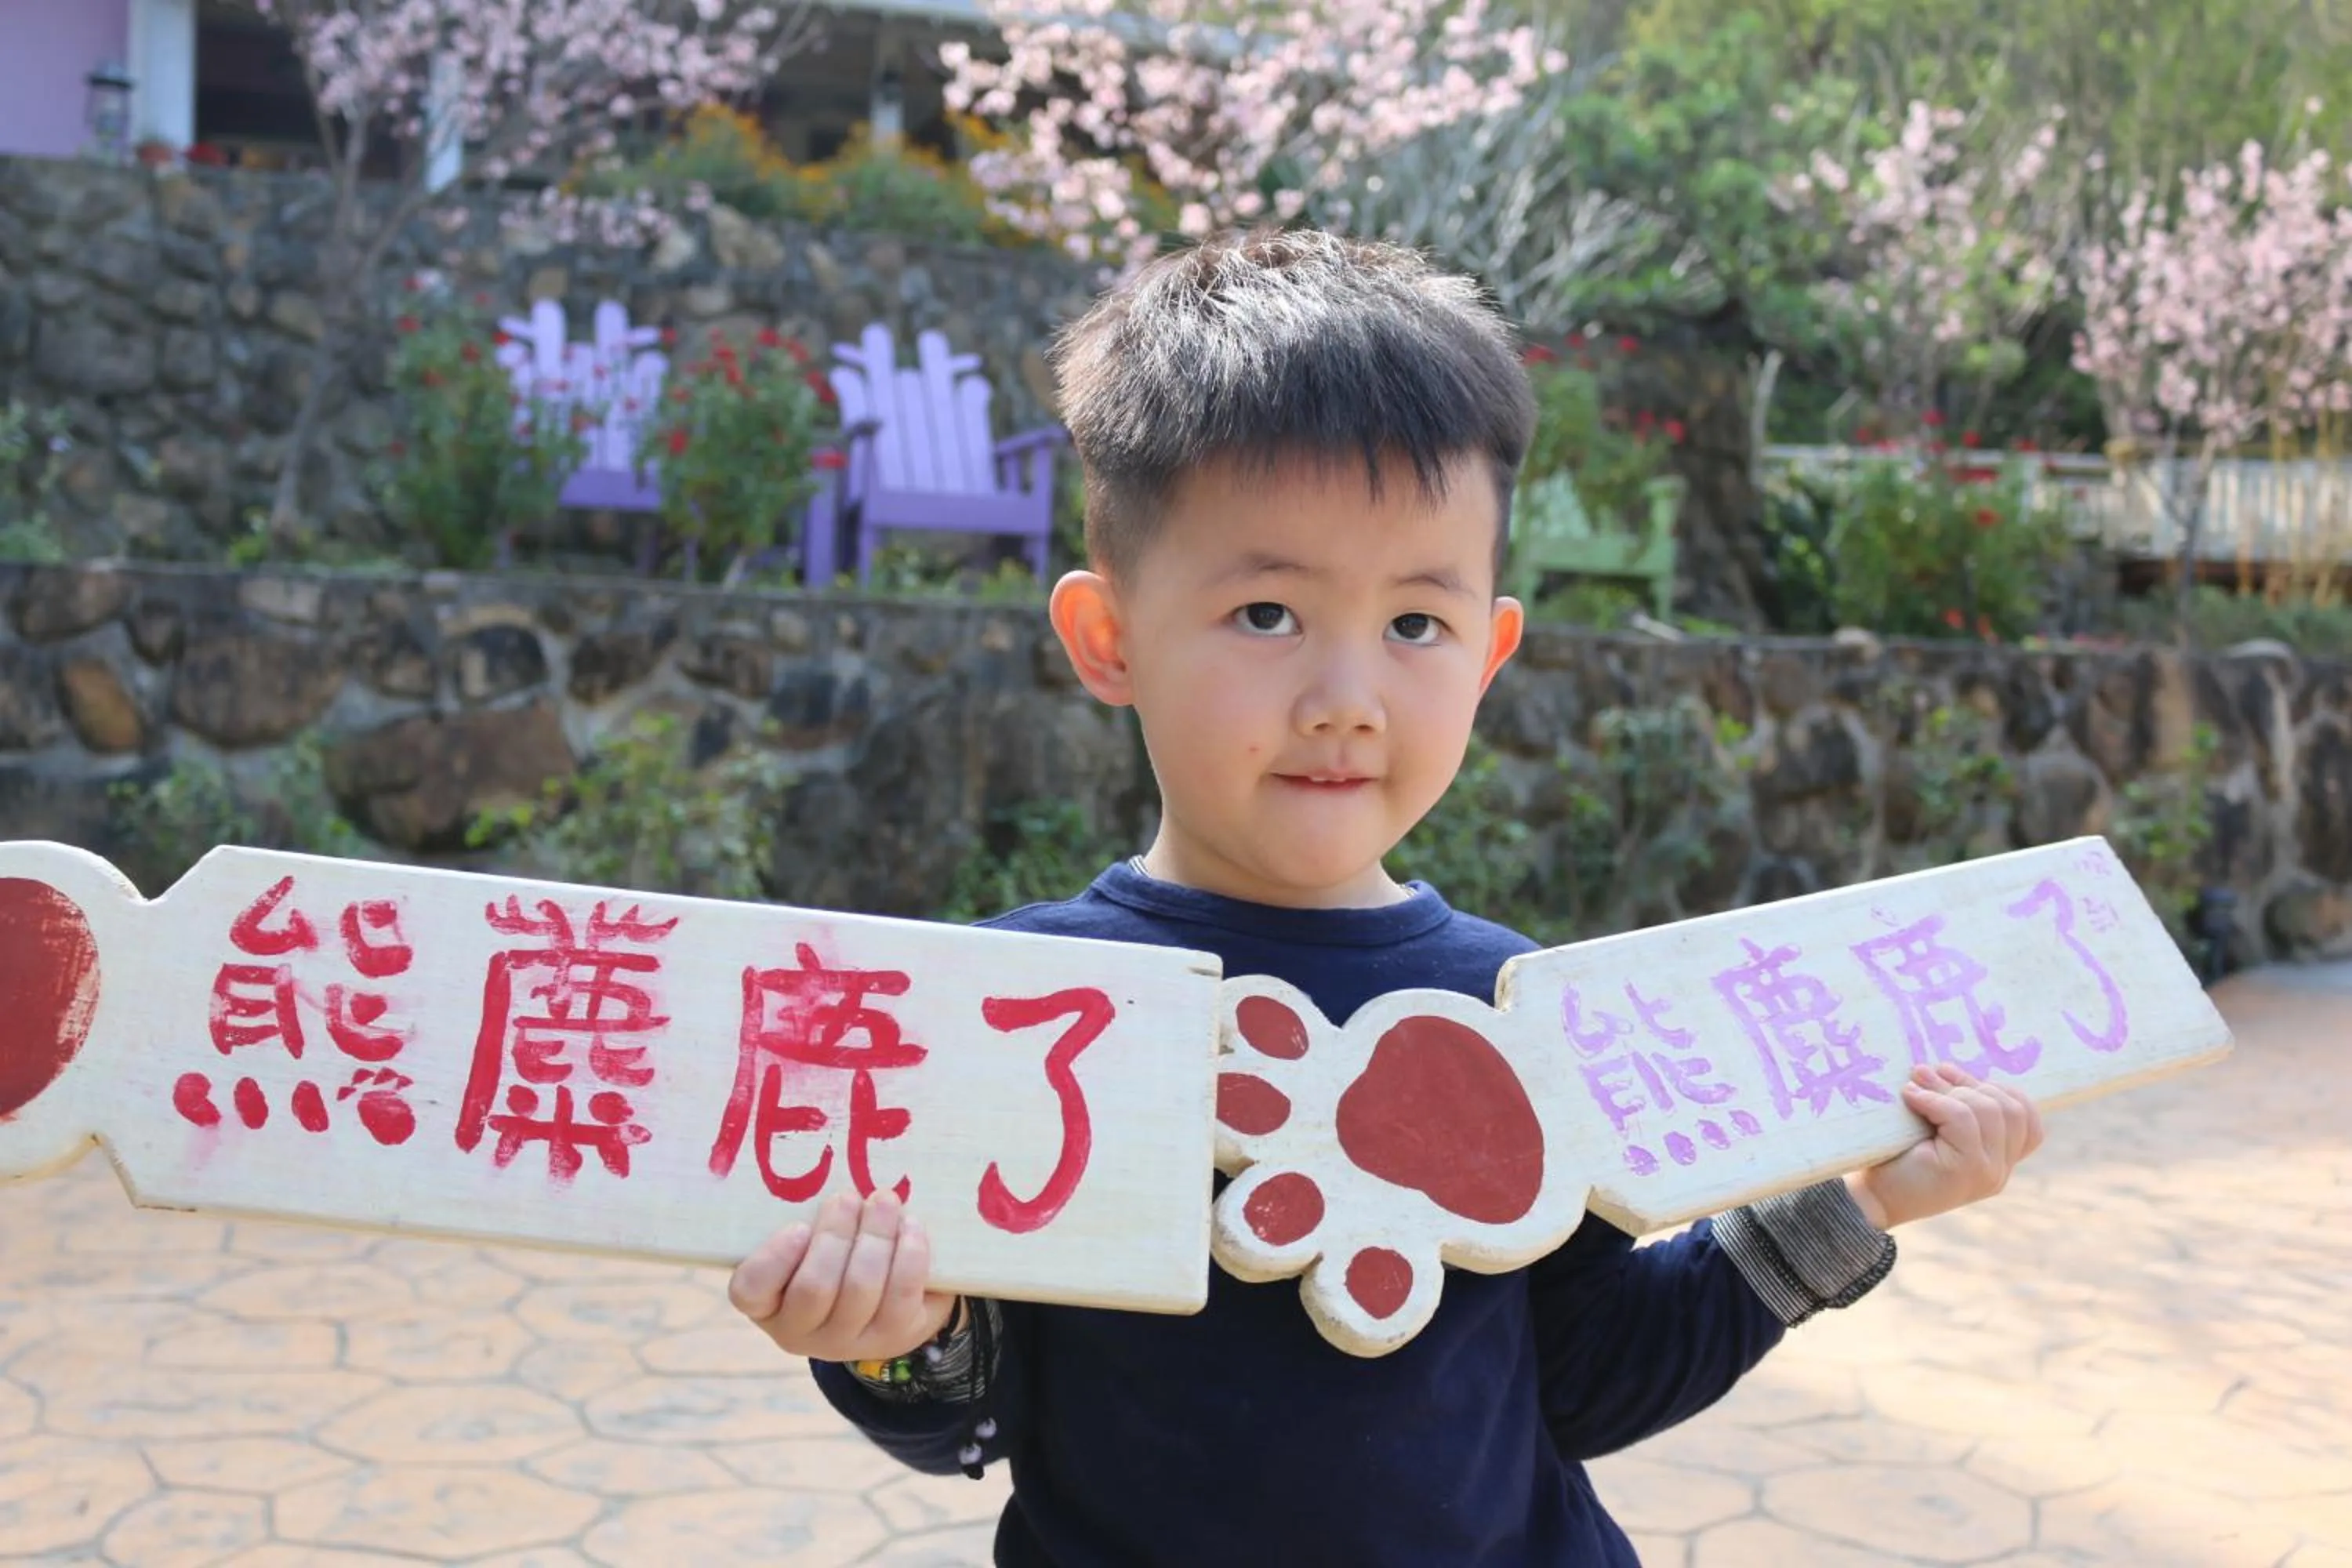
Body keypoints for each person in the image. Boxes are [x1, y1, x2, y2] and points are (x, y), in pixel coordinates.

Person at [726, 229, 2045, 1566]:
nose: (1346, 701)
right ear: (1108, 638)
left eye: (1417, 624)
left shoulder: (1517, 1006)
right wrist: (895, 1341)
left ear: (1489, 653)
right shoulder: (1026, 1013)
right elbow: (974, 1418)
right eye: (1266, 615)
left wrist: (1861, 1205)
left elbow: (1587, 1380)